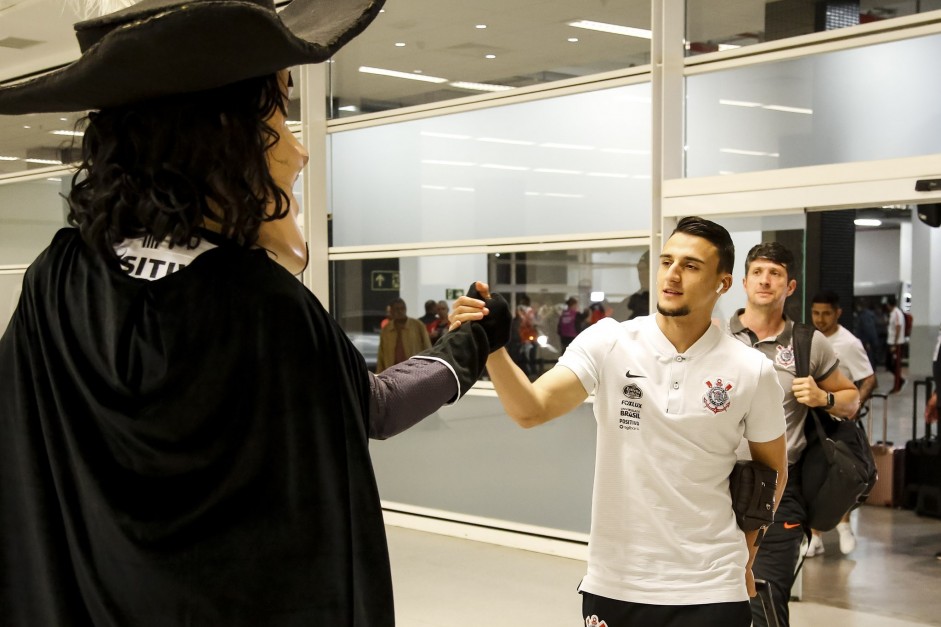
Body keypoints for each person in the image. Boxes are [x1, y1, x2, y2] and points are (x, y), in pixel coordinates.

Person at [0, 1, 508, 624]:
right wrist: (470, 345)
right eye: (277, 112)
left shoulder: (54, 283)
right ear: (220, 137)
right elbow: (371, 404)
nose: (299, 153)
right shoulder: (264, 308)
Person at [452, 216, 788, 627]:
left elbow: (773, 469)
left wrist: (749, 549)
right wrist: (491, 346)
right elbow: (530, 409)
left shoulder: (751, 369)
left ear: (723, 283)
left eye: (692, 265)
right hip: (617, 582)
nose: (673, 275)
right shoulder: (609, 340)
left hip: (712, 584)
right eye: (667, 261)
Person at [728, 242, 860, 627]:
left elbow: (851, 400)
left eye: (775, 274)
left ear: (790, 287)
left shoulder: (806, 342)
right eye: (758, 272)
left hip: (778, 487)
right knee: (714, 594)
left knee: (765, 593)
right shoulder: (716, 337)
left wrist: (824, 396)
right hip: (714, 483)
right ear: (744, 281)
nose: (765, 280)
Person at [807, 290, 878, 557]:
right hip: (814, 418)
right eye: (816, 313)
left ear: (837, 313)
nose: (820, 319)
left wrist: (852, 406)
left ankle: (844, 526)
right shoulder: (808, 339)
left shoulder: (849, 343)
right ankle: (814, 535)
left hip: (839, 419)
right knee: (817, 477)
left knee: (841, 475)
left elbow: (869, 378)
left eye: (826, 313)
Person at [376, 297, 432, 373]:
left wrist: (428, 370)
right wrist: (379, 374)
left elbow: (427, 348)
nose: (400, 311)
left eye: (402, 308)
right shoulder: (387, 329)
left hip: (414, 372)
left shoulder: (418, 325)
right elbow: (381, 355)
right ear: (391, 311)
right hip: (392, 372)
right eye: (397, 309)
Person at [610, 249, 650, 322]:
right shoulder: (629, 303)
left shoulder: (665, 301)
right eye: (639, 269)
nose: (641, 274)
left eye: (644, 269)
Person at [886, 295, 906, 393]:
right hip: (891, 342)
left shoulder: (897, 313)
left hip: (896, 344)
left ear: (889, 304)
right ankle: (900, 380)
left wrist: (894, 344)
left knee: (896, 365)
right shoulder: (893, 313)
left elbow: (898, 327)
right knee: (889, 364)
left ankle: (897, 385)